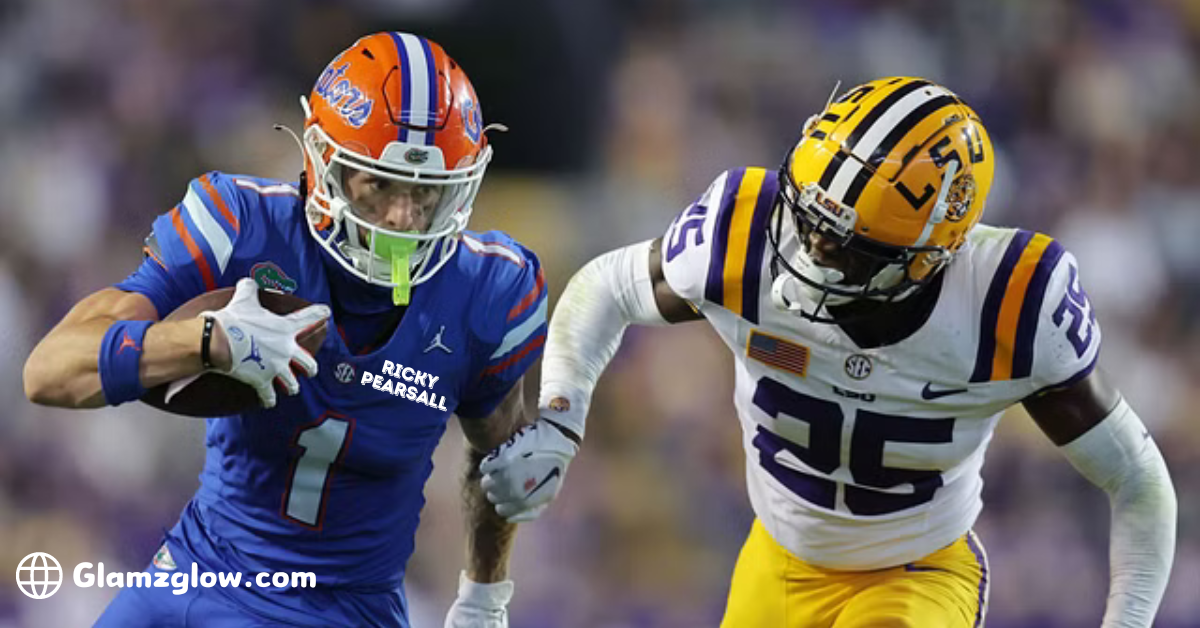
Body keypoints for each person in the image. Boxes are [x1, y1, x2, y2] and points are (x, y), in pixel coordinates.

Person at [477, 77, 1177, 626]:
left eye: (846, 246)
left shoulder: (1008, 303)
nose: (810, 250)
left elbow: (1140, 483)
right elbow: (607, 286)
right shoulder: (745, 234)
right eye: (809, 219)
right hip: (778, 560)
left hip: (918, 572)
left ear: (927, 259)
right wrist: (561, 422)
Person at [23, 32, 550, 628]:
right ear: (325, 163)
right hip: (196, 569)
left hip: (343, 610)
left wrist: (485, 595)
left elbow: (500, 456)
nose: (402, 218)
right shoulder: (243, 226)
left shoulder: (488, 291)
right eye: (378, 185)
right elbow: (48, 372)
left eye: (426, 192)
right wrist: (206, 339)